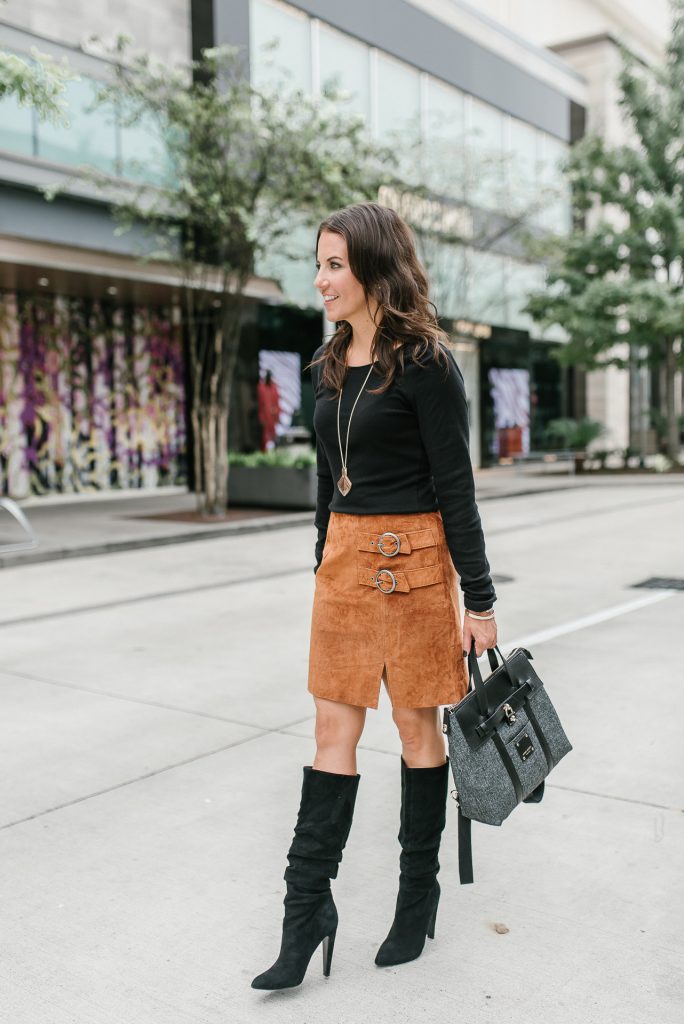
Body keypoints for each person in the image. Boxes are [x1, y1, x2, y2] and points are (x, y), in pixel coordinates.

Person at [251, 202, 498, 991]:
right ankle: (305, 915)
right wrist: (326, 557)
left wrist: (481, 602)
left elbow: (455, 485)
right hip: (348, 572)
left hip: (421, 566)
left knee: (417, 726)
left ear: (372, 268)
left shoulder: (426, 362)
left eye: (334, 264)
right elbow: (328, 479)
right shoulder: (329, 363)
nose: (321, 279)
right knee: (331, 726)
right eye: (317, 263)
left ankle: (413, 898)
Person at [257, 369, 281, 451]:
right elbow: (260, 404)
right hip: (265, 416)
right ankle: (264, 452)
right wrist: (261, 417)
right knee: (264, 435)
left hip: (272, 415)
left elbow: (277, 402)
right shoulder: (261, 387)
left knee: (274, 434)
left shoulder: (274, 387)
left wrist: (277, 414)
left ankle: (275, 451)